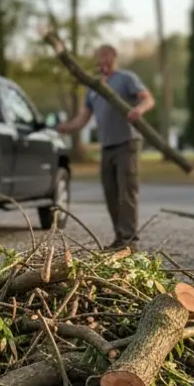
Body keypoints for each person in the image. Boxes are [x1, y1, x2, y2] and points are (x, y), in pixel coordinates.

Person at [57, 44, 155, 251]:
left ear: (113, 57)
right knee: (111, 193)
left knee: (126, 193)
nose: (101, 60)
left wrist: (138, 110)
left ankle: (129, 241)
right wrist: (66, 127)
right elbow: (83, 117)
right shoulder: (93, 86)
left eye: (105, 55)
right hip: (107, 146)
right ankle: (120, 238)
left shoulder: (126, 78)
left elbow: (148, 99)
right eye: (99, 56)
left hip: (127, 144)